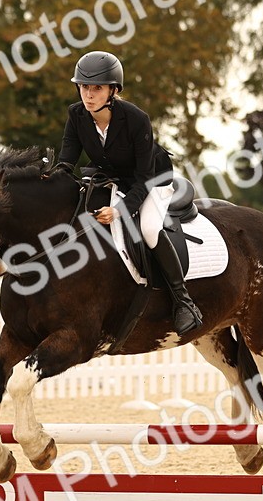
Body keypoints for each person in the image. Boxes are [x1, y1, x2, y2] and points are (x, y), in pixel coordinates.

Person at [49, 50, 202, 335]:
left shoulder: (136, 119)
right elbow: (67, 159)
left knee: (149, 228)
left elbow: (143, 179)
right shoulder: (77, 114)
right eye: (84, 86)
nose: (89, 94)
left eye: (97, 88)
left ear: (113, 90)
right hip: (113, 177)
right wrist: (50, 178)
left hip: (153, 181)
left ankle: (183, 302)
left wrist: (119, 210)